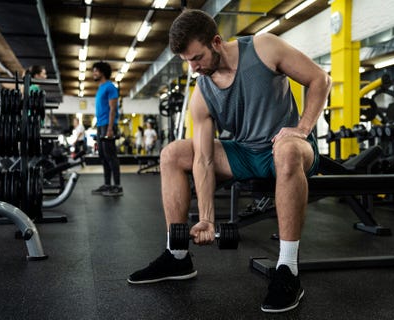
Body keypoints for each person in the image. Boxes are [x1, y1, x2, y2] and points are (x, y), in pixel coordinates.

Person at [127, 9, 331, 313]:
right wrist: (207, 217)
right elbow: (205, 160)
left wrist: (302, 128)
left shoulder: (264, 47)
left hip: (288, 148)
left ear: (217, 42)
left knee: (287, 150)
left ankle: (288, 269)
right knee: (173, 153)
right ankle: (178, 255)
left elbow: (320, 79)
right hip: (245, 153)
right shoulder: (203, 93)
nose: (194, 69)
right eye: (188, 63)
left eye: (197, 58)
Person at [90, 61, 123, 197]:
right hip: (100, 125)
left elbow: (113, 109)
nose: (94, 73)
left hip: (108, 125)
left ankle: (117, 186)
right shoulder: (100, 87)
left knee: (111, 156)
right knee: (103, 156)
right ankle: (107, 184)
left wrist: (110, 129)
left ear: (102, 72)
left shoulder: (110, 87)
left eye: (96, 71)